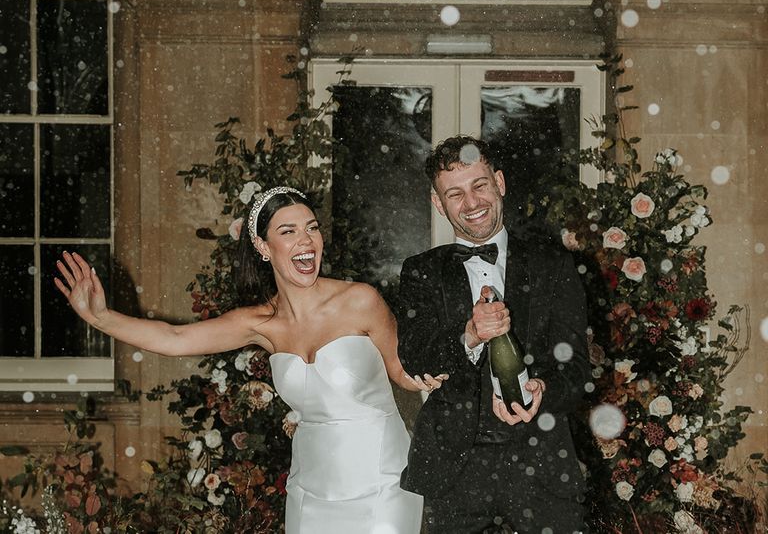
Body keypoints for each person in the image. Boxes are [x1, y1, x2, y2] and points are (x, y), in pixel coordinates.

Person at [55, 186, 446, 534]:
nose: (306, 241)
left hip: (382, 480)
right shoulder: (260, 323)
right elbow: (175, 338)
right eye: (288, 231)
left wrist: (430, 373)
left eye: (311, 227)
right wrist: (101, 318)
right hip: (311, 490)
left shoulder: (361, 300)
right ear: (262, 247)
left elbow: (402, 371)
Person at [391, 136, 589, 534]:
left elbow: (578, 373)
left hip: (543, 468)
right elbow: (415, 356)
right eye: (455, 193)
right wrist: (469, 335)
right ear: (439, 204)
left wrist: (542, 388)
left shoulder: (553, 264)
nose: (472, 203)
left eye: (479, 185)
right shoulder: (421, 271)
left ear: (499, 182)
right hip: (454, 473)